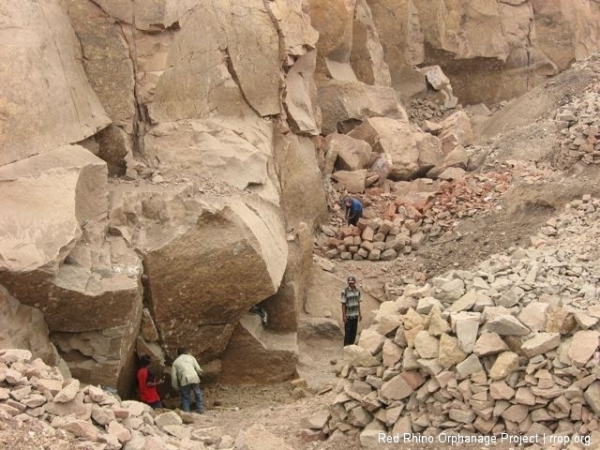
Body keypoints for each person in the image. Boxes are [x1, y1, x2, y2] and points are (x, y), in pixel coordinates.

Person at [171, 348, 204, 414]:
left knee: (185, 396)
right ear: (186, 352)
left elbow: (174, 377)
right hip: (194, 377)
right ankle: (200, 409)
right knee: (197, 393)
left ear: (178, 354)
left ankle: (186, 411)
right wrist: (200, 374)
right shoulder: (191, 358)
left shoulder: (175, 362)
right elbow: (198, 369)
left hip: (184, 379)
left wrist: (176, 387)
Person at [341, 276, 362, 346]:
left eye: (352, 283)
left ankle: (351, 348)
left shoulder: (357, 291)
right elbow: (343, 304)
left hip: (355, 316)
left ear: (354, 283)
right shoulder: (345, 291)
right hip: (348, 316)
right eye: (350, 283)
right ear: (348, 283)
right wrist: (344, 316)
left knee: (354, 333)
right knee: (347, 334)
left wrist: (360, 314)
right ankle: (346, 348)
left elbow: (358, 303)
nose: (351, 284)